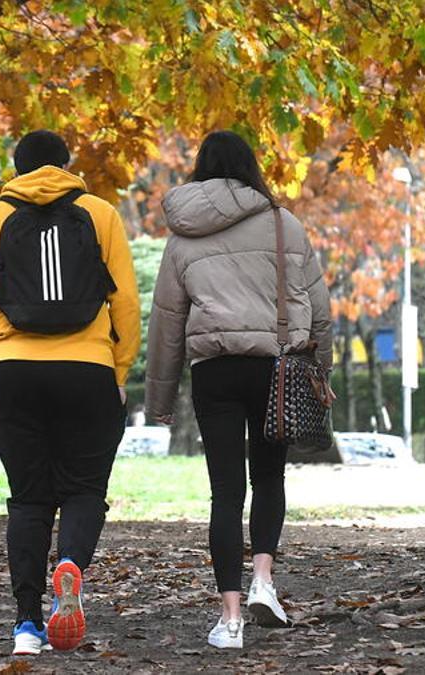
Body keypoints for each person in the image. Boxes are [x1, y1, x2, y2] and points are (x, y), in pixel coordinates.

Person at [144, 131, 334, 650]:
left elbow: (166, 320)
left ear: (202, 169)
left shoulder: (183, 235)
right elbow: (319, 309)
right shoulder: (283, 223)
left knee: (225, 493)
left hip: (215, 372)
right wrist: (322, 372)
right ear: (251, 167)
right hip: (275, 366)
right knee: (269, 478)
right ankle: (264, 582)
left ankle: (230, 621)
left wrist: (158, 399)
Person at [0, 130, 140, 657]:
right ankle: (72, 567)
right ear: (66, 165)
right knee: (84, 490)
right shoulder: (101, 213)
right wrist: (118, 370)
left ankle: (27, 626)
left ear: (16, 169)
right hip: (88, 370)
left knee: (29, 499)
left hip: (13, 370)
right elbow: (125, 303)